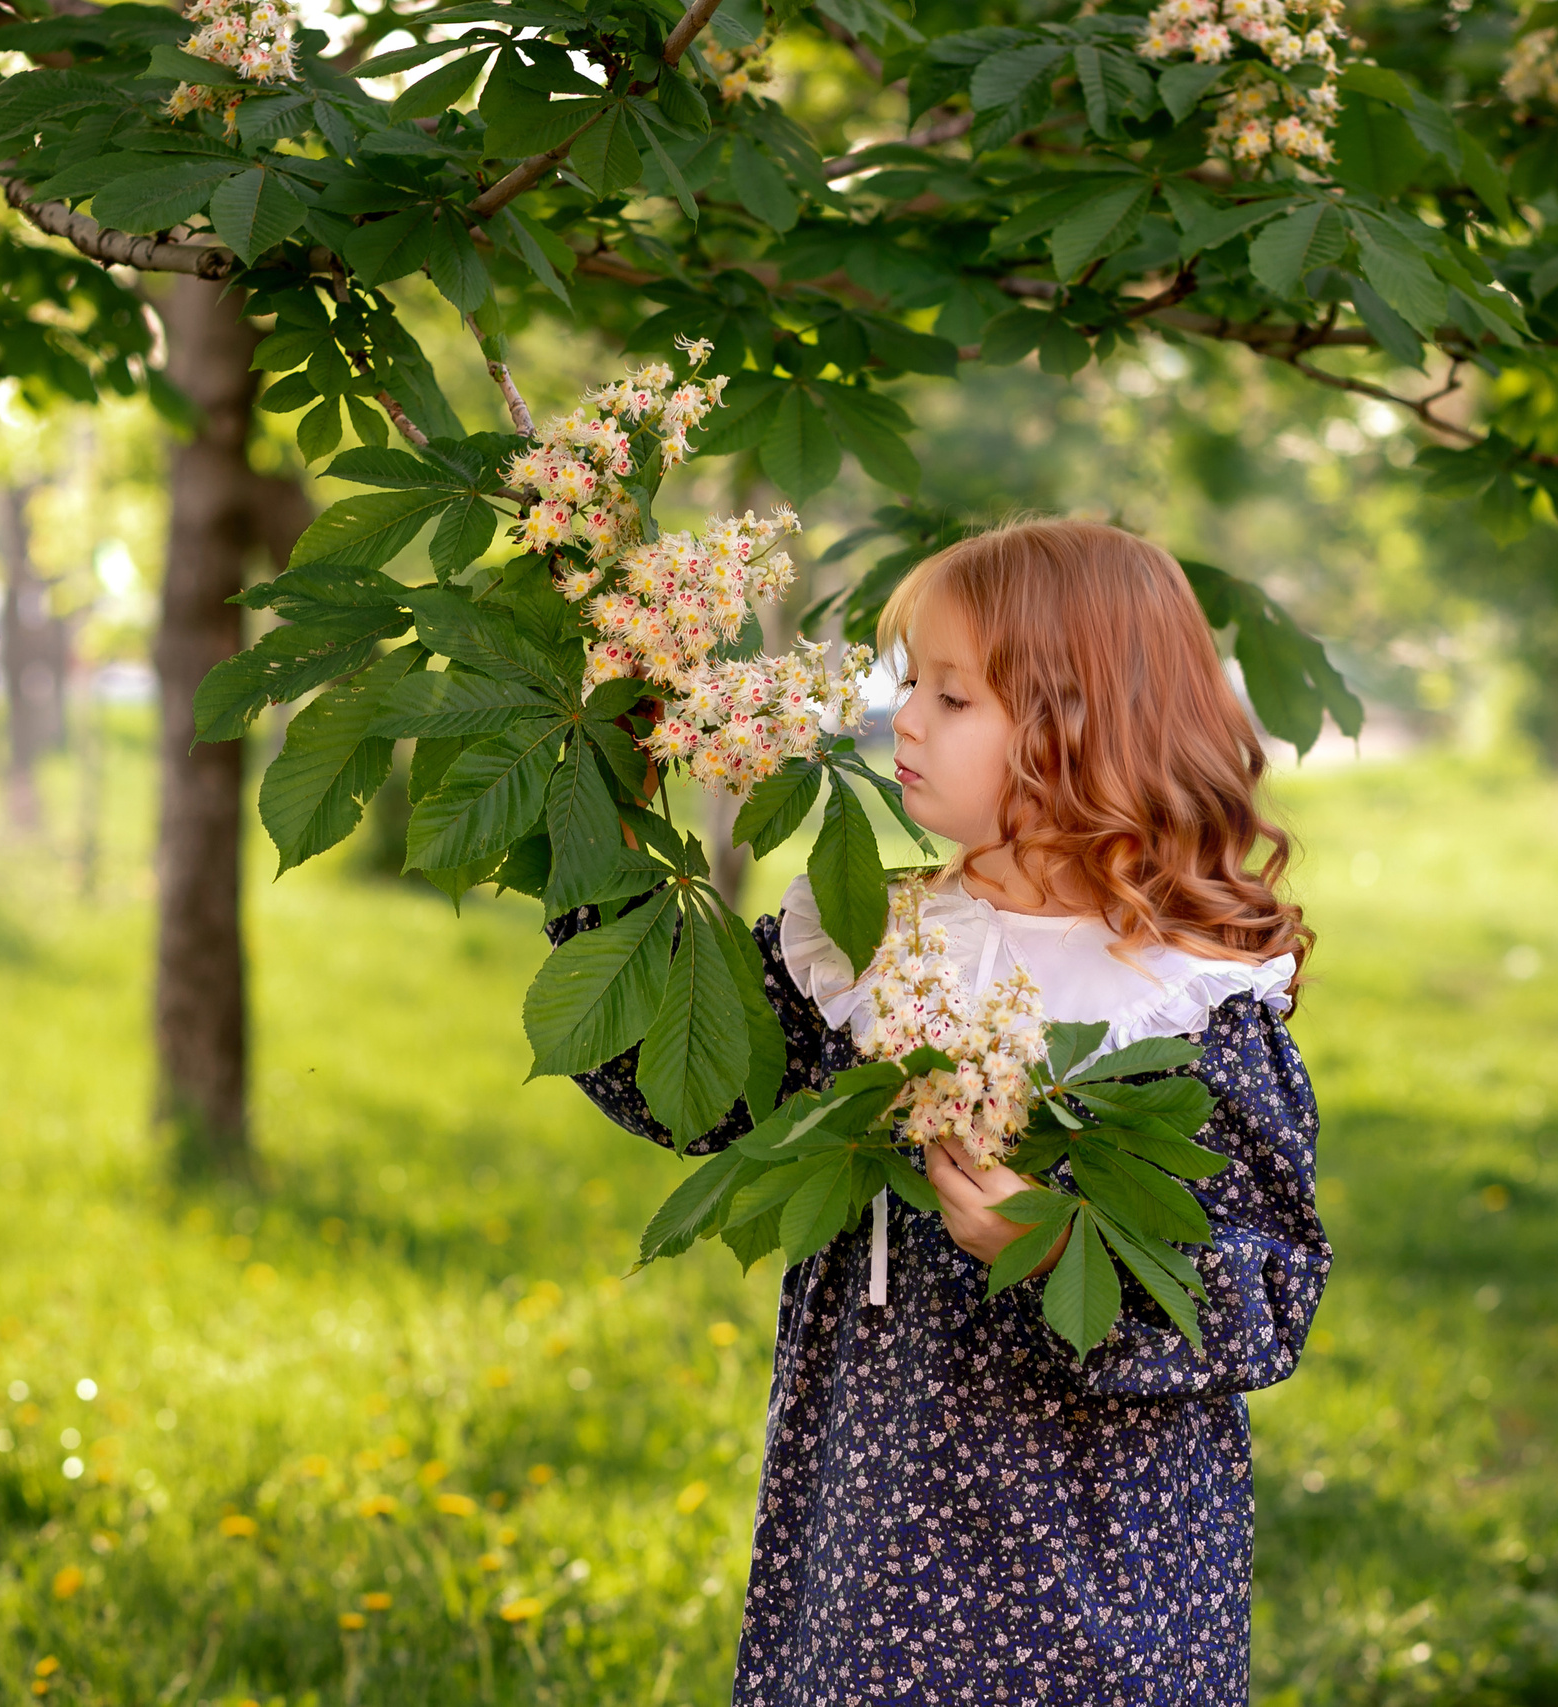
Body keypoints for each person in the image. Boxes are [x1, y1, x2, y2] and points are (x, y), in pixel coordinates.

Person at [550, 518, 1330, 1704]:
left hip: (1099, 1583)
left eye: (952, 697)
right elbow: (682, 1087)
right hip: (869, 1541)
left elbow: (1269, 1295)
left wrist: (1058, 1246)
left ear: (1081, 727)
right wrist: (601, 814)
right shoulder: (867, 936)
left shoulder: (1187, 998)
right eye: (910, 683)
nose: (903, 718)